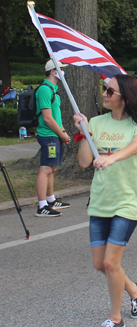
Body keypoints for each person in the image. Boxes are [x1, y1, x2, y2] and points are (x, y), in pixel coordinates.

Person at [73, 74, 137, 327]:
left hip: (127, 202)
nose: (105, 94)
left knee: (110, 262)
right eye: (104, 89)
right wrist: (85, 132)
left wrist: (111, 158)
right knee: (100, 264)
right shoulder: (97, 122)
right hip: (100, 202)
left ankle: (115, 317)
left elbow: (136, 146)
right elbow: (85, 162)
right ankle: (134, 290)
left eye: (110, 91)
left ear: (126, 98)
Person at [35, 60, 71, 217]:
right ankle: (42, 205)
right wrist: (61, 134)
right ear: (53, 71)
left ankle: (51, 199)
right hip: (48, 136)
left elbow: (56, 116)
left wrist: (63, 131)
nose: (63, 72)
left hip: (55, 135)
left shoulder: (53, 90)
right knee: (46, 169)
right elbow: (48, 118)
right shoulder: (44, 90)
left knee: (52, 168)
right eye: (61, 69)